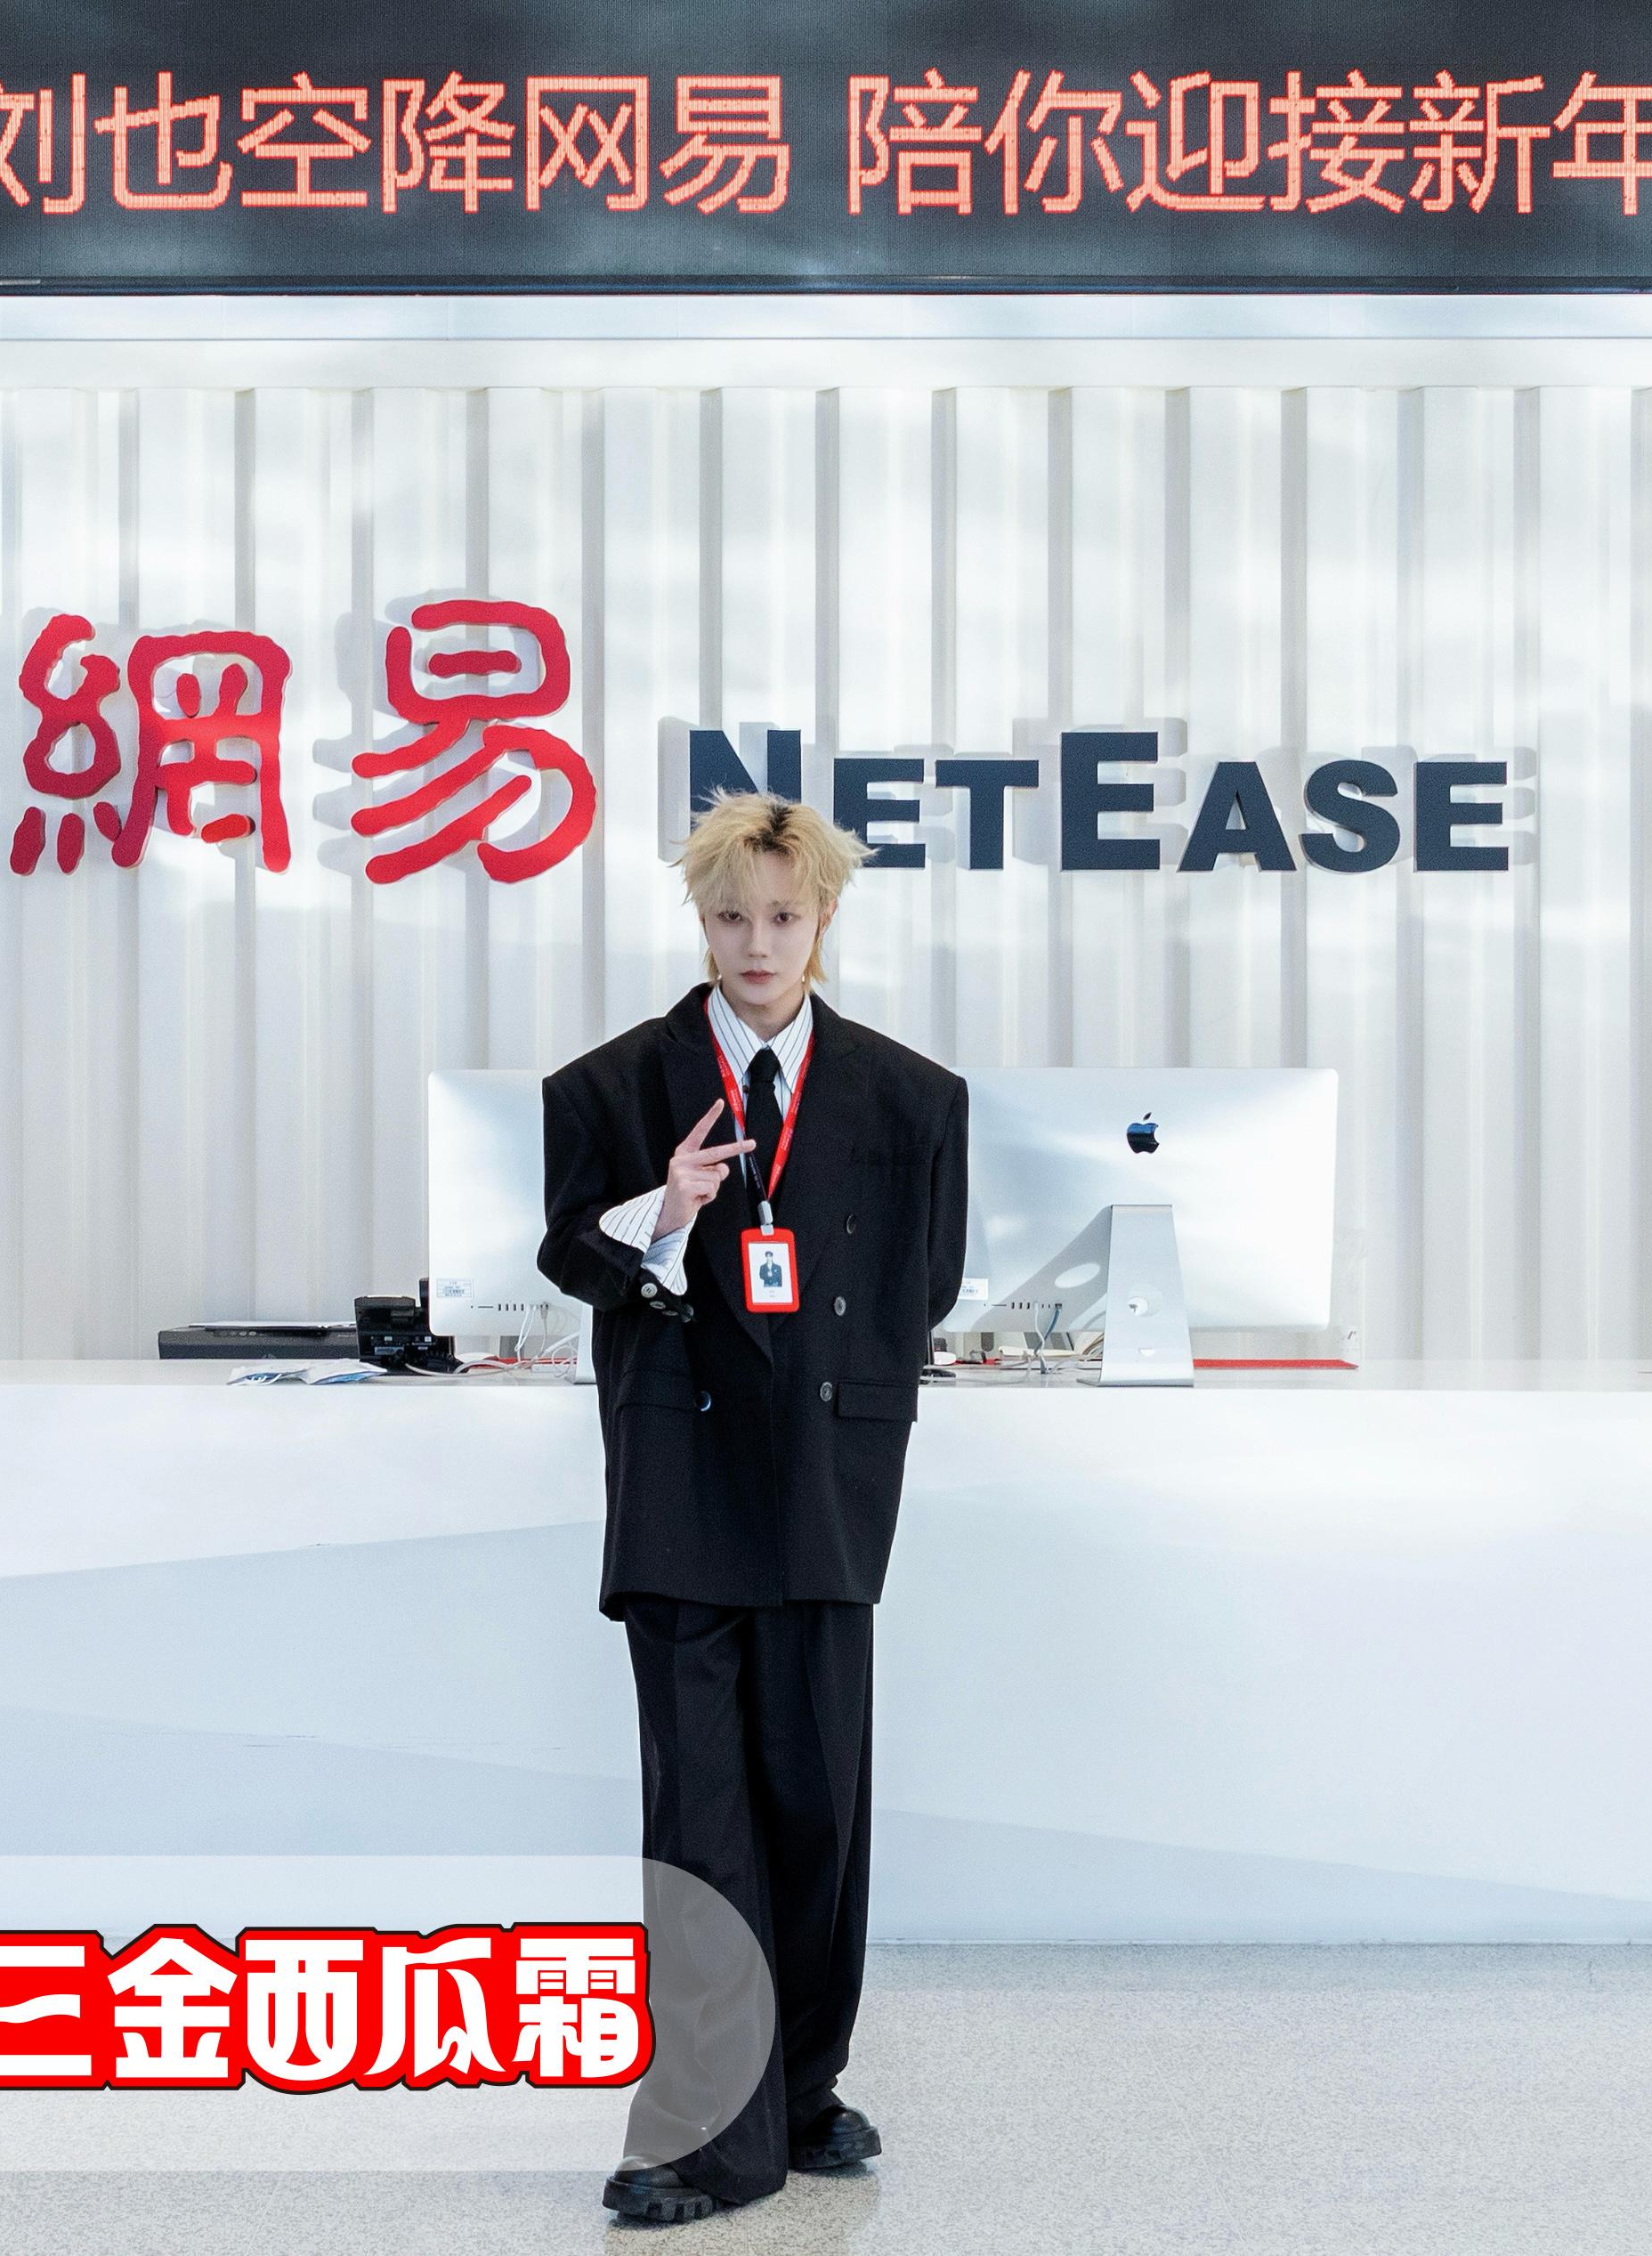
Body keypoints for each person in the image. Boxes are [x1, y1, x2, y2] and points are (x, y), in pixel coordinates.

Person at [534, 791, 969, 2224]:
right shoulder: (610, 1087)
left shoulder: (912, 1099)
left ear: (823, 915)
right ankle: (704, 2129)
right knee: (702, 1815)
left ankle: (801, 2084)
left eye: (783, 915)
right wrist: (660, 1217)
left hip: (831, 1488)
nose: (758, 942)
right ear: (701, 919)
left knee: (817, 1803)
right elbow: (565, 1251)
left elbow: (925, 1284)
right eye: (732, 916)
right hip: (683, 1485)